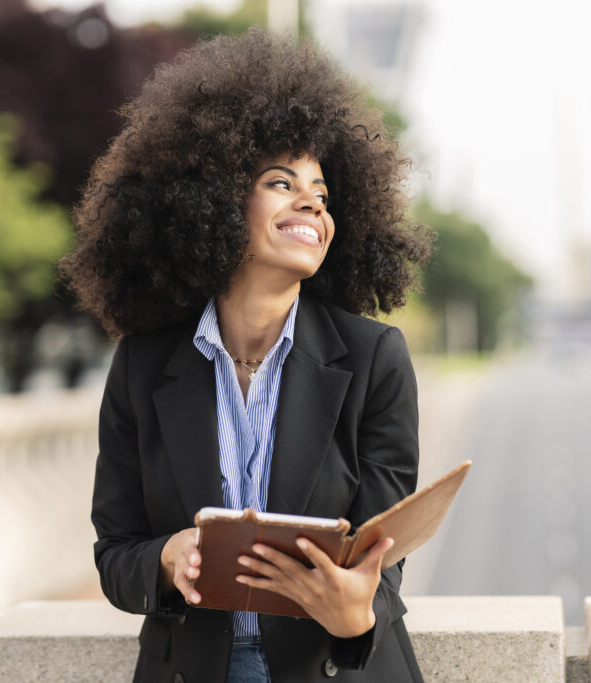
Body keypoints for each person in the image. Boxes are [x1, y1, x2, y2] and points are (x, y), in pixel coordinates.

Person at [60, 28, 433, 683]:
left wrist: (356, 612)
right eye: (281, 182)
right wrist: (167, 561)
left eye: (321, 191)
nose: (312, 201)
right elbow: (116, 552)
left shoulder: (377, 359)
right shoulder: (143, 367)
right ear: (217, 197)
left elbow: (382, 568)